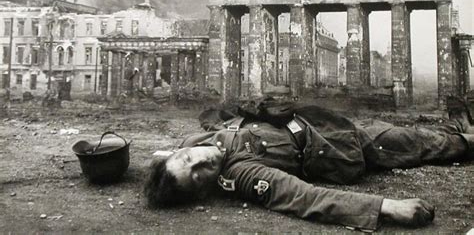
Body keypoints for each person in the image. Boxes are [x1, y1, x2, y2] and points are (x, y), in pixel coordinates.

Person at [144, 97, 474, 232]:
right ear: (204, 191)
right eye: (199, 178)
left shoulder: (190, 145)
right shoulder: (241, 173)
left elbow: (166, 156)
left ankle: (458, 127)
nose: (204, 163)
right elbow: (304, 198)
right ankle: (463, 139)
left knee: (412, 134)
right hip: (343, 147)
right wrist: (386, 206)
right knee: (422, 144)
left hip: (325, 121)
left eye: (189, 160)